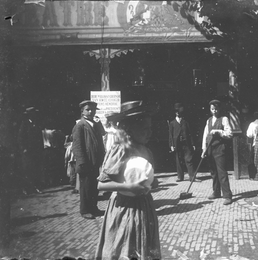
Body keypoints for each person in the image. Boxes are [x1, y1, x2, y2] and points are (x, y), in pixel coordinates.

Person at [95, 100, 161, 260]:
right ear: (130, 129)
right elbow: (101, 184)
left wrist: (152, 181)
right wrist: (128, 186)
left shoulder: (146, 150)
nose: (149, 133)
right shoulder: (120, 150)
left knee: (143, 249)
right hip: (124, 209)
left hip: (144, 208)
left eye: (150, 128)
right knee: (123, 249)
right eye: (145, 129)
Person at [72, 100, 106, 220]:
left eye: (93, 109)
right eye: (88, 109)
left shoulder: (95, 124)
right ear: (82, 111)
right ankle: (85, 210)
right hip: (86, 162)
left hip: (95, 161)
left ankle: (93, 208)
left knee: (93, 186)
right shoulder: (80, 125)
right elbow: (77, 146)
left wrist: (99, 123)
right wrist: (82, 162)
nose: (91, 112)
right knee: (86, 187)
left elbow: (103, 134)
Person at [201, 99, 233, 205]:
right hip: (210, 149)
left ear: (219, 109)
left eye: (216, 109)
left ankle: (227, 195)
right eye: (212, 109)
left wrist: (219, 132)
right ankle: (216, 192)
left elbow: (229, 134)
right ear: (210, 109)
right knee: (213, 172)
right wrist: (203, 149)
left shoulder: (224, 119)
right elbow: (205, 135)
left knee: (221, 172)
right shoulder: (208, 120)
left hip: (219, 148)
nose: (214, 111)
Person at [169, 103, 199, 182]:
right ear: (175, 113)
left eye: (179, 111)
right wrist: (171, 145)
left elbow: (190, 133)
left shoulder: (185, 122)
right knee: (179, 160)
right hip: (177, 144)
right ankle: (180, 177)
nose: (178, 113)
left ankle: (192, 177)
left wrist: (193, 144)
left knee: (189, 159)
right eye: (176, 111)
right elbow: (170, 135)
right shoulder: (172, 123)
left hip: (186, 144)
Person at [18, 106, 44, 195]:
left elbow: (40, 137)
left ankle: (37, 187)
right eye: (32, 114)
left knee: (37, 168)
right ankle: (28, 188)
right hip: (28, 151)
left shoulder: (36, 124)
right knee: (28, 169)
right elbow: (21, 137)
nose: (34, 116)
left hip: (36, 150)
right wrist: (24, 148)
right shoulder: (24, 124)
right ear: (29, 115)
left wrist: (41, 147)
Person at [246, 109, 258, 180]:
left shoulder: (252, 124)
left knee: (254, 160)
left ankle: (253, 176)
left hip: (256, 144)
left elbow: (249, 135)